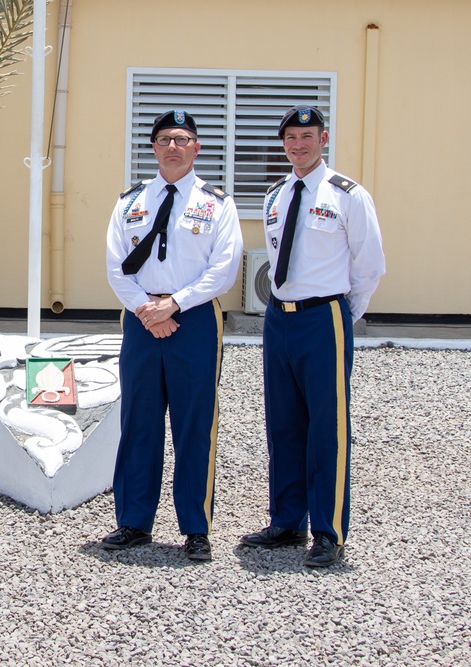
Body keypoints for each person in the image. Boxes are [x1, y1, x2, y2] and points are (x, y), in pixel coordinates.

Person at [241, 105, 385, 567]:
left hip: (324, 319)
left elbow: (369, 266)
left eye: (307, 136)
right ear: (282, 143)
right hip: (279, 319)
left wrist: (340, 313)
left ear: (323, 140)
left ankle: (328, 530)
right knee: (283, 424)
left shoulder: (347, 194)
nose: (298, 144)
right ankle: (287, 521)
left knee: (328, 426)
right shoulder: (276, 194)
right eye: (290, 137)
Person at [103, 110, 243, 561]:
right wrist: (148, 309)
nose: (173, 147)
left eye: (182, 138)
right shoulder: (130, 202)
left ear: (196, 147)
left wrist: (175, 304)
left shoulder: (217, 203)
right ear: (153, 148)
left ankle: (196, 527)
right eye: (164, 139)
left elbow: (224, 269)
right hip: (141, 319)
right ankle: (133, 522)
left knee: (194, 424)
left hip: (195, 319)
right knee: (139, 422)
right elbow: (114, 264)